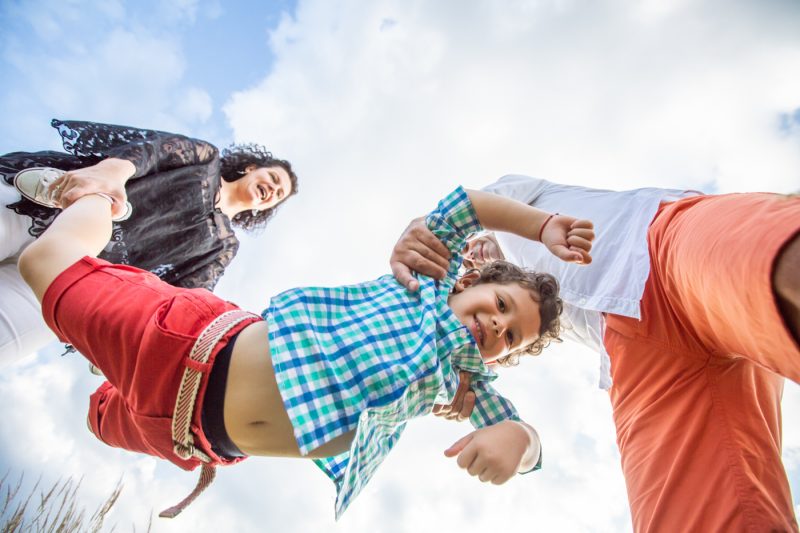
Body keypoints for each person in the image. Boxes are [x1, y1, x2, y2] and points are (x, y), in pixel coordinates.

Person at [15, 173, 595, 519]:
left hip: (179, 435)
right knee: (43, 265)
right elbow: (467, 205)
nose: (497, 326)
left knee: (94, 417)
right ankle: (102, 198)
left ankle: (106, 392)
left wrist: (516, 439)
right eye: (500, 306)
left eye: (510, 336)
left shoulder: (462, 384)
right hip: (186, 345)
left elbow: (528, 444)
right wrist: (541, 227)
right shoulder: (425, 281)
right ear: (473, 282)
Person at [390, 174, 800, 532]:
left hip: (657, 244)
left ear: (470, 278)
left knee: (772, 267)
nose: (500, 325)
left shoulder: (523, 204)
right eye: (511, 337)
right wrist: (510, 435)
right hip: (633, 358)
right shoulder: (479, 354)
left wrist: (426, 231)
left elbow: (466, 208)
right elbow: (522, 437)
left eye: (501, 305)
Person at [1, 119, 298, 364]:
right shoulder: (206, 159)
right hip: (48, 207)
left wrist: (135, 334)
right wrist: (107, 176)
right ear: (251, 169)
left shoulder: (224, 247)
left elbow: (185, 292)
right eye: (272, 177)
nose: (272, 189)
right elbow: (147, 153)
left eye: (278, 194)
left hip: (73, 276)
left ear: (265, 209)